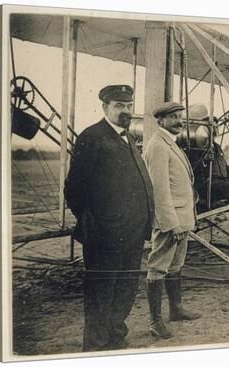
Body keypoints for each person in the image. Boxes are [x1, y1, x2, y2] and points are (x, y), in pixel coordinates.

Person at [64, 85, 155, 351]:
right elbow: (74, 189)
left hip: (132, 233)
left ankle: (115, 337)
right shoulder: (92, 138)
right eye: (119, 106)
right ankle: (96, 347)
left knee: (124, 291)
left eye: (128, 106)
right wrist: (96, 222)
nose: (125, 111)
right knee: (101, 292)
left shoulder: (127, 138)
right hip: (105, 236)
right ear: (105, 107)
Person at [143, 101, 202, 339]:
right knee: (158, 267)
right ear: (161, 121)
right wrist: (171, 223)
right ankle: (155, 321)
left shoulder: (170, 143)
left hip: (182, 217)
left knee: (175, 266)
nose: (179, 121)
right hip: (171, 220)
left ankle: (175, 310)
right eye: (174, 117)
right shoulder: (157, 145)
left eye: (180, 116)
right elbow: (159, 189)